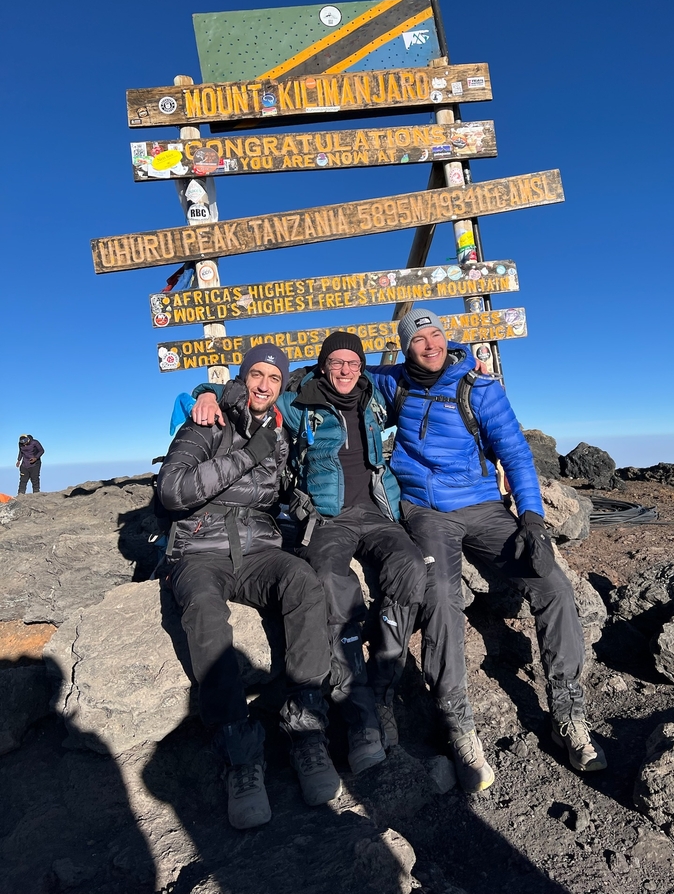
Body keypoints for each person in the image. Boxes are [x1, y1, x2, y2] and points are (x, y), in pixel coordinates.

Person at [368, 308, 606, 788]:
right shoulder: (393, 384)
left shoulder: (478, 388)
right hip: (425, 512)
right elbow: (336, 368)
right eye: (418, 339)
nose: (430, 344)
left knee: (553, 584)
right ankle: (460, 727)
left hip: (483, 509)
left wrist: (532, 517)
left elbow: (515, 451)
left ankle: (568, 712)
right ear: (404, 348)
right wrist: (211, 393)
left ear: (446, 339)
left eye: (436, 334)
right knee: (440, 597)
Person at [192, 333, 428, 776]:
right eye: (336, 362)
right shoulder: (298, 400)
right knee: (331, 581)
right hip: (327, 518)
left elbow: (421, 376)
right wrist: (203, 393)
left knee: (411, 568)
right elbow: (250, 393)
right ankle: (360, 718)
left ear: (362, 367)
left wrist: (467, 369)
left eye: (352, 363)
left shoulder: (376, 394)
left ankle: (382, 690)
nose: (345, 370)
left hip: (379, 513)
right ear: (322, 366)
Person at [157, 346, 340, 830]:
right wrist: (246, 453)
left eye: (273, 379)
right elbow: (173, 491)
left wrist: (299, 504)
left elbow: (269, 495)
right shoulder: (206, 421)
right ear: (242, 378)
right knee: (203, 610)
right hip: (199, 548)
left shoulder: (277, 434)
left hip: (257, 547)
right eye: (256, 374)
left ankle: (306, 732)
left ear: (282, 385)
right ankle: (240, 757)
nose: (264, 385)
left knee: (303, 581)